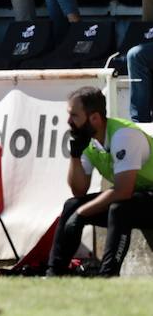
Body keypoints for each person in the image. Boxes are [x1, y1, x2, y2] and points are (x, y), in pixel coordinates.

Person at [47, 86, 153, 277]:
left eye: (74, 116)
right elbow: (79, 192)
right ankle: (53, 274)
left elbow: (123, 191)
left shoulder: (123, 136)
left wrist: (82, 213)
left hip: (145, 196)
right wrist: (75, 156)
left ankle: (107, 276)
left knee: (120, 208)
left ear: (94, 118)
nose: (69, 121)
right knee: (71, 205)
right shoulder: (89, 140)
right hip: (140, 196)